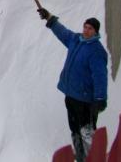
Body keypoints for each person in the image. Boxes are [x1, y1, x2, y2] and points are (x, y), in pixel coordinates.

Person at [37, 8, 108, 162]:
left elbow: (100, 76)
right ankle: (81, 156)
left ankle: (93, 157)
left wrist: (100, 98)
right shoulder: (75, 40)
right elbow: (63, 33)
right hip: (71, 95)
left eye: (90, 28)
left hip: (85, 100)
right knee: (74, 129)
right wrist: (50, 19)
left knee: (87, 131)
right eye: (85, 27)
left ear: (96, 32)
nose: (86, 30)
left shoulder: (97, 51)